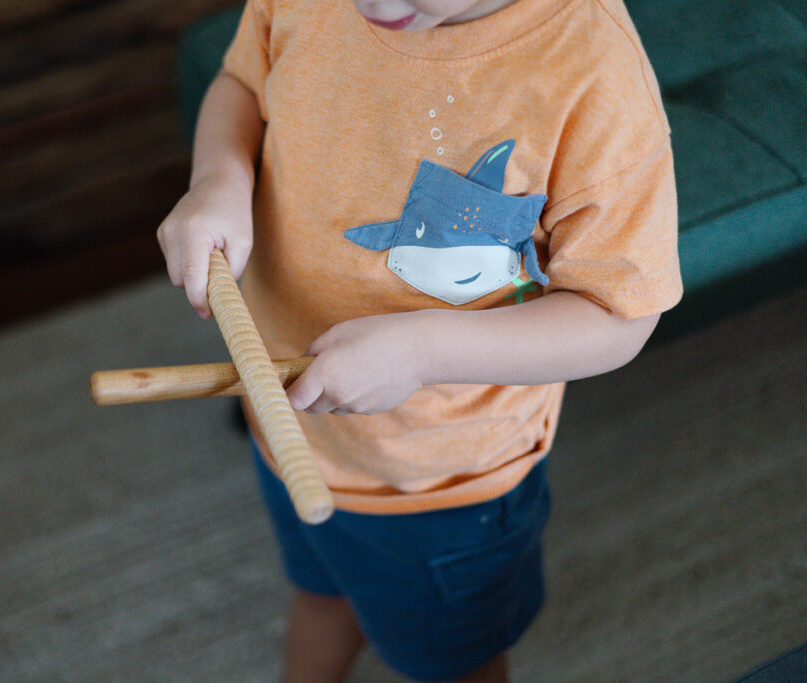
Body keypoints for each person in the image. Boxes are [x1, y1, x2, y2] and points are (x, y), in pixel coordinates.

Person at [156, 0, 683, 680]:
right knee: (321, 595)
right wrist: (219, 179)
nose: (375, 6)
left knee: (452, 663)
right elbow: (242, 83)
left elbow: (620, 317)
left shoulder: (593, 73)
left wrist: (424, 351)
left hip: (443, 479)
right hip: (294, 427)